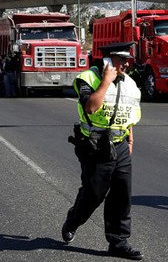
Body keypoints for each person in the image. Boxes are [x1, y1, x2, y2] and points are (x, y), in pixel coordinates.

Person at [63, 42, 143, 260]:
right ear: (107, 60)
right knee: (94, 193)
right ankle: (73, 220)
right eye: (121, 59)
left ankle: (118, 242)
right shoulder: (87, 79)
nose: (127, 63)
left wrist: (130, 139)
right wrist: (107, 81)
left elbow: (129, 112)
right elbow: (91, 107)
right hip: (95, 145)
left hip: (120, 144)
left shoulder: (130, 83)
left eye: (128, 59)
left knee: (122, 193)